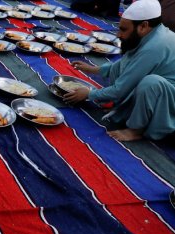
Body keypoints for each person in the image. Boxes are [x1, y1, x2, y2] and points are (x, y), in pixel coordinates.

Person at [64, 0, 175, 141]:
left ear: (143, 26)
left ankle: (135, 130)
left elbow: (121, 89)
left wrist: (89, 94)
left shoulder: (155, 46)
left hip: (171, 106)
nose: (118, 35)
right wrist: (94, 69)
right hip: (165, 92)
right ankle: (125, 110)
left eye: (123, 30)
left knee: (151, 83)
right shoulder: (153, 34)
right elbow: (128, 64)